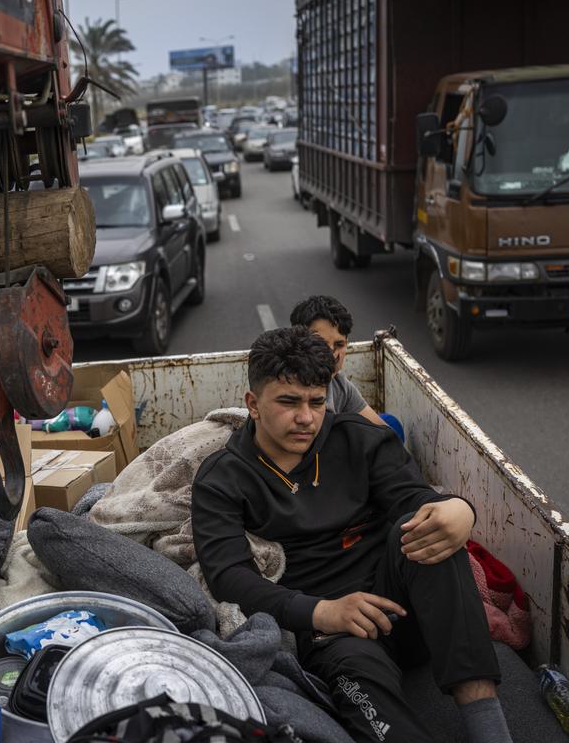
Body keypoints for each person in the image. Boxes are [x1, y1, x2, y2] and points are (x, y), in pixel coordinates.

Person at [192, 327, 510, 743]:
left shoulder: (361, 440)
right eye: (288, 402)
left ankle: (490, 729)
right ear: (253, 404)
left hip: (409, 611)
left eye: (316, 401)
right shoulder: (222, 478)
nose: (305, 418)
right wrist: (321, 612)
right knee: (369, 698)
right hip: (332, 633)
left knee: (430, 533)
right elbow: (229, 576)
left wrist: (460, 509)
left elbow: (414, 499)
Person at [289, 295, 385, 427]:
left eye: (339, 345)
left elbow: (383, 429)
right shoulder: (284, 386)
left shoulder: (340, 386)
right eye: (320, 343)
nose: (331, 355)